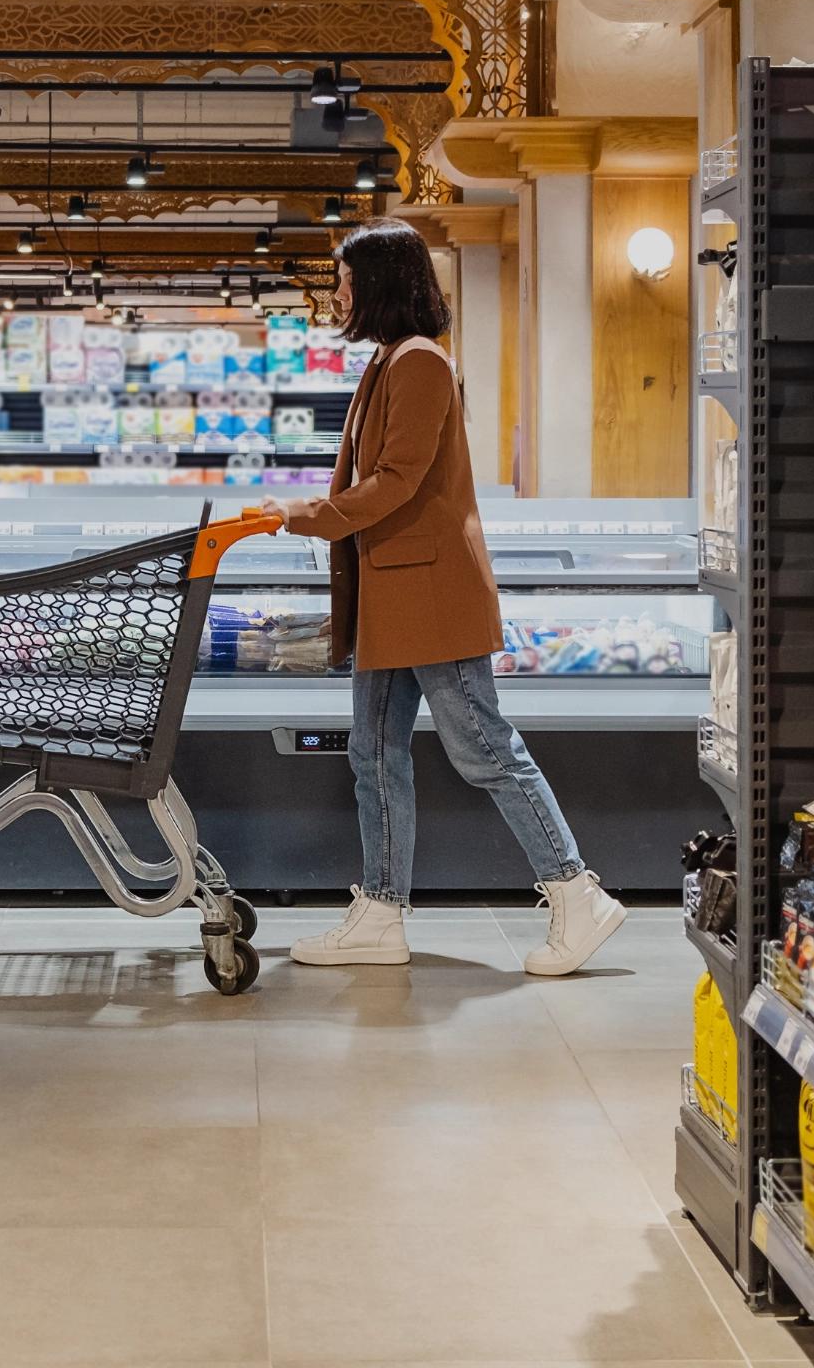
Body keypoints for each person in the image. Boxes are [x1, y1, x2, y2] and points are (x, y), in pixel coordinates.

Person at [259, 217, 625, 975]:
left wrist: (300, 516)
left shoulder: (418, 364)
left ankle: (575, 893)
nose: (338, 294)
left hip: (428, 597)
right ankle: (382, 914)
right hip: (395, 597)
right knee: (373, 752)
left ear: (380, 284)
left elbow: (395, 482)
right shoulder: (390, 362)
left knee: (484, 749)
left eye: (345, 281)